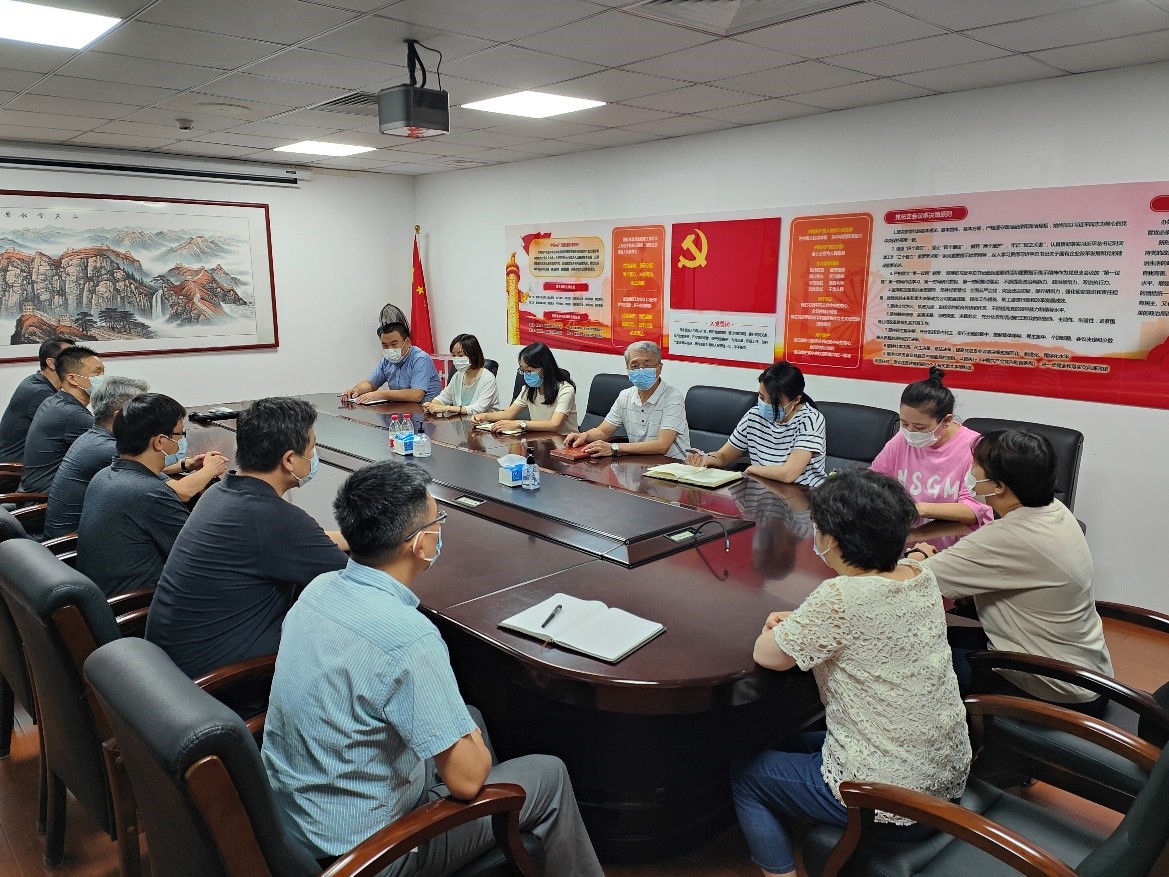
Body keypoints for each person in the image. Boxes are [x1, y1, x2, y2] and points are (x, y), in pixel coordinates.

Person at [262, 460, 604, 876]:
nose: (440, 528)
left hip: (296, 825)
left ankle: (505, 852)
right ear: (420, 543)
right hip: (368, 855)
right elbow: (466, 782)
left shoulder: (319, 588)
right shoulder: (409, 637)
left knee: (472, 718)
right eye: (437, 520)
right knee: (549, 774)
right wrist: (468, 746)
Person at [732, 469, 970, 877]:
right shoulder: (921, 577)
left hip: (891, 800)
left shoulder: (840, 595)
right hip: (945, 776)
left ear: (833, 540)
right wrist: (807, 623)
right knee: (785, 739)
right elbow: (873, 615)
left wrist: (785, 627)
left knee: (745, 775)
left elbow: (767, 655)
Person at [909, 429, 1114, 711]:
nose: (969, 472)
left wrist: (919, 553)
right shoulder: (1055, 510)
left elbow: (911, 581)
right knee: (938, 637)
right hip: (1084, 672)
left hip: (1051, 688)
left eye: (974, 467)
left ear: (998, 486)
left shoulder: (1009, 536)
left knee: (908, 660)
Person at [146, 397, 348, 680]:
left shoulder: (222, 492)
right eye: (312, 447)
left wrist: (353, 538)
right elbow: (355, 581)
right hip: (224, 683)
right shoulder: (275, 518)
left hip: (171, 671)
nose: (314, 455)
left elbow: (300, 540)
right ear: (290, 460)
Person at [76, 393, 228, 597]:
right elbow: (204, 556)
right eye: (180, 435)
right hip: (141, 603)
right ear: (159, 442)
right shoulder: (150, 495)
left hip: (107, 594)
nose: (181, 441)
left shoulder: (104, 476)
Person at [871, 367, 992, 528]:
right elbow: (874, 481)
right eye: (904, 423)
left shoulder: (975, 448)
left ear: (946, 420)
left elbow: (973, 510)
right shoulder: (901, 439)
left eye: (920, 427)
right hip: (910, 534)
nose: (910, 432)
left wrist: (918, 509)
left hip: (959, 537)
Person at [686, 361, 827, 487]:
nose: (765, 404)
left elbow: (788, 474)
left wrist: (751, 469)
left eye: (774, 401)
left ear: (796, 400)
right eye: (761, 397)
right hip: (762, 490)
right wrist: (705, 459)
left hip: (802, 495)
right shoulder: (754, 415)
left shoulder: (810, 420)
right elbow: (723, 456)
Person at [42, 376, 148, 538]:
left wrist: (184, 464)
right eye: (143, 411)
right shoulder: (108, 448)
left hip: (79, 534)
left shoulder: (94, 437)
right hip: (72, 544)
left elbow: (145, 465)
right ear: (120, 416)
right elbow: (181, 491)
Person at [564, 340, 690, 459]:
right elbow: (603, 431)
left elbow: (662, 445)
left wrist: (614, 448)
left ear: (659, 368)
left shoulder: (673, 398)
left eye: (647, 365)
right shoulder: (625, 396)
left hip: (673, 466)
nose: (641, 370)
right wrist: (584, 436)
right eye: (634, 366)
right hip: (639, 463)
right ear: (628, 370)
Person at [19, 344, 105, 493]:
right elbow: (118, 450)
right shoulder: (72, 415)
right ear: (72, 379)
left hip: (40, 489)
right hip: (46, 499)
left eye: (103, 372)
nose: (103, 378)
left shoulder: (55, 400)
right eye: (97, 373)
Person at [472, 342, 578, 435]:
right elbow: (508, 414)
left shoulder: (565, 390)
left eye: (530, 370)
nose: (526, 375)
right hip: (541, 440)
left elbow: (554, 425)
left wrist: (520, 424)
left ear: (545, 368)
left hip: (565, 443)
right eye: (523, 370)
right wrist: (483, 416)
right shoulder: (529, 389)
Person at [0, 337, 74, 463]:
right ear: (51, 363)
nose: (78, 362)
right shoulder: (39, 392)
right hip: (16, 467)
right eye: (71, 358)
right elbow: (69, 429)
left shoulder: (36, 381)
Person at [343, 321, 441, 404]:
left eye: (394, 344)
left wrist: (380, 394)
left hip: (426, 412)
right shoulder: (386, 360)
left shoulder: (420, 358)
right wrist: (356, 390)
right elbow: (371, 384)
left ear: (407, 342)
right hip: (401, 409)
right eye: (385, 345)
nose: (389, 349)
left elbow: (416, 395)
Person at [421, 333, 501, 416]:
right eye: (453, 355)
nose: (456, 359)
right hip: (461, 421)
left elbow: (478, 409)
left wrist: (447, 408)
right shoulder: (458, 375)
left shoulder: (488, 378)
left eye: (460, 355)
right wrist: (432, 405)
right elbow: (443, 397)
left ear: (474, 355)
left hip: (484, 423)